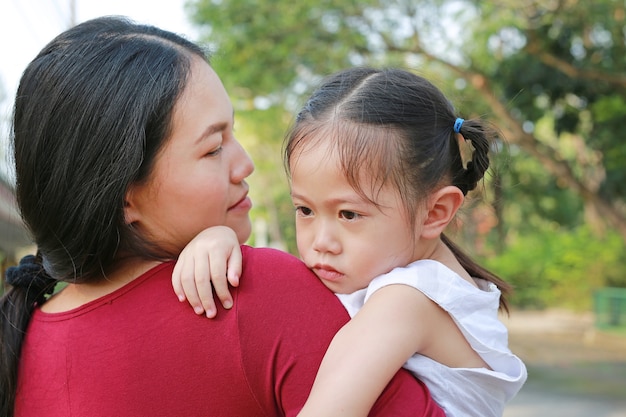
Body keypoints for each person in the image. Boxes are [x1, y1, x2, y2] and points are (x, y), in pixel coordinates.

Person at [0, 17, 446, 417]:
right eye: (213, 148)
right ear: (124, 196)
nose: (245, 163)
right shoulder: (247, 293)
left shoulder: (19, 343)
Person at [173, 67, 528, 416]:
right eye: (305, 210)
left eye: (349, 215)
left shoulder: (407, 300)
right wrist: (220, 236)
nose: (321, 242)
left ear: (435, 212)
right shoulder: (394, 270)